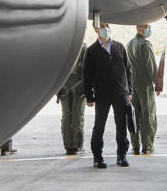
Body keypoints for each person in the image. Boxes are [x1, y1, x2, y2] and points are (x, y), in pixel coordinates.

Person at [83, 22, 133, 169]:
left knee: (122, 126)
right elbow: (87, 75)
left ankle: (121, 156)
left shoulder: (119, 46)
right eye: (103, 26)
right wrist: (89, 97)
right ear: (96, 29)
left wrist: (129, 90)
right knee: (99, 126)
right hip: (101, 95)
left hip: (121, 93)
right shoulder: (91, 51)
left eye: (107, 25)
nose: (106, 28)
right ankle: (97, 158)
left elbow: (128, 70)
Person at [127, 24, 159, 155]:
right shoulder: (146, 44)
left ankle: (135, 146)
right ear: (139, 29)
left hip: (132, 84)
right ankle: (147, 146)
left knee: (134, 116)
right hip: (145, 84)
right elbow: (151, 65)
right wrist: (157, 84)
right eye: (146, 26)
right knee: (148, 115)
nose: (149, 29)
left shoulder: (129, 44)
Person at [57, 42, 88, 154]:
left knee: (66, 116)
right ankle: (77, 146)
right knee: (77, 116)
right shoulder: (82, 46)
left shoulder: (61, 47)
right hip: (78, 85)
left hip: (63, 85)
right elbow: (86, 69)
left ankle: (68, 146)